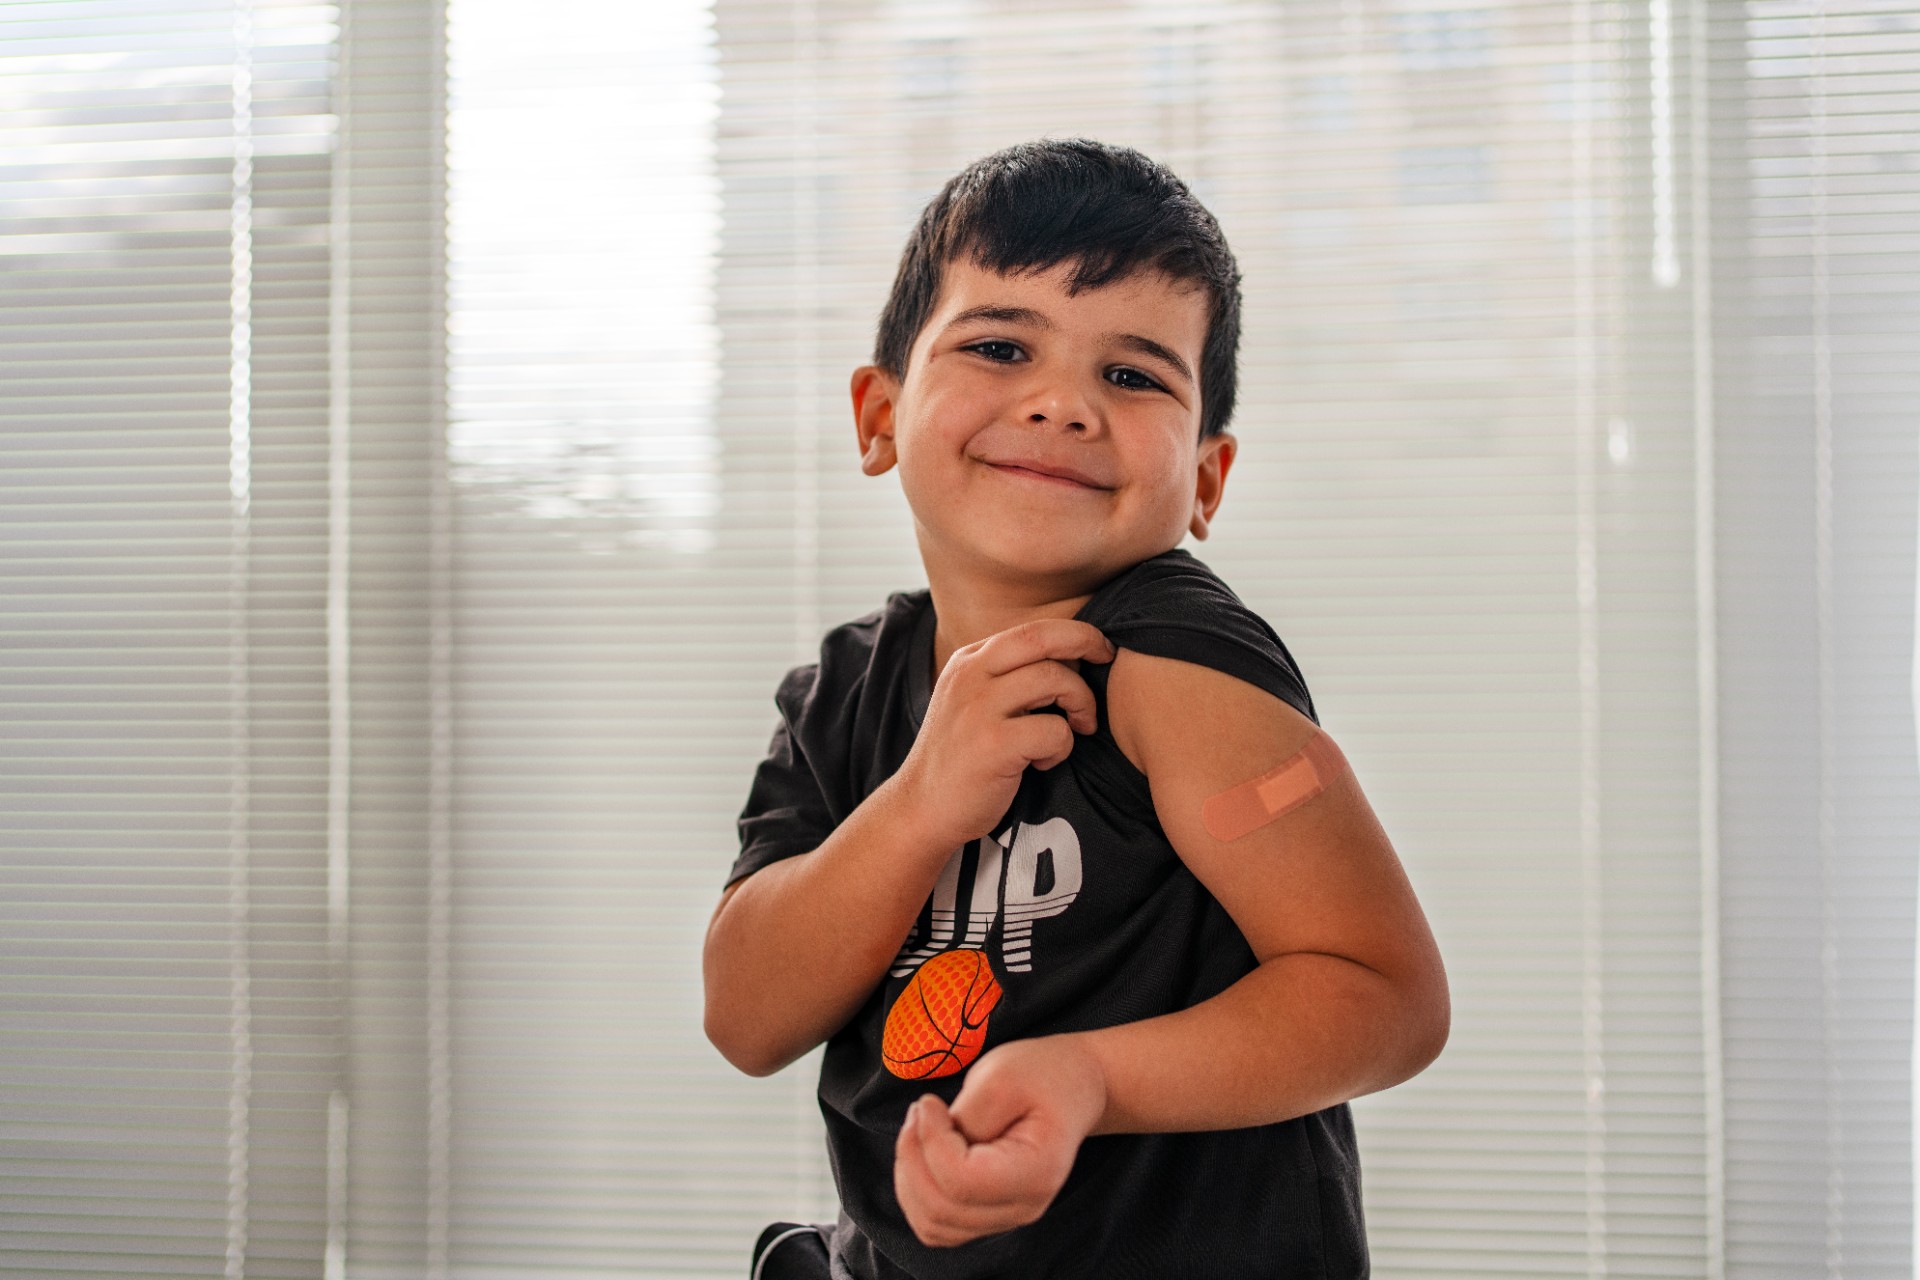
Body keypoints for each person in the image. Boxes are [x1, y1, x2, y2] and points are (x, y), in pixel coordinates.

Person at [704, 138, 1449, 1280]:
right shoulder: (844, 691)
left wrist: (1093, 1076)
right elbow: (746, 1014)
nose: (1061, 404)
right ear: (878, 416)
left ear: (1205, 477)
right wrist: (917, 806)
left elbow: (1385, 996)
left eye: (1135, 374)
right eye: (1001, 346)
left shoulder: (1171, 659)